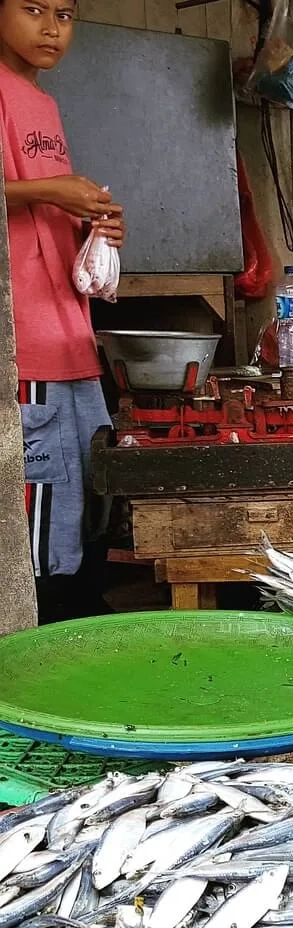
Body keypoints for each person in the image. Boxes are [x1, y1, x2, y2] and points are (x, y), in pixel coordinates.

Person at [1, 0, 125, 620]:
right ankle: (30, 657)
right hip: (25, 347)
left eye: (66, 14)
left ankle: (73, 638)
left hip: (73, 341)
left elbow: (40, 225)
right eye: (32, 9)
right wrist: (53, 189)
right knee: (38, 527)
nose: (52, 27)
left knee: (86, 514)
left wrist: (90, 228)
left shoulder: (43, 104)